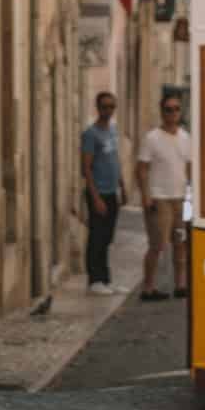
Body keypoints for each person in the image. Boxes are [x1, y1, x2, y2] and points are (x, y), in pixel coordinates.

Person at [136, 93, 194, 301]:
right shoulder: (152, 138)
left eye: (176, 109)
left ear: (181, 112)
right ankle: (148, 287)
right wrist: (145, 196)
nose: (173, 113)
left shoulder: (186, 137)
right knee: (157, 245)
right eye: (168, 109)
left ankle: (180, 285)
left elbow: (189, 167)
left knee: (181, 242)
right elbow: (141, 169)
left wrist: (191, 196)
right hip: (159, 198)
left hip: (180, 199)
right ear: (162, 112)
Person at [80, 92, 124, 294]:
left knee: (107, 236)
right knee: (97, 235)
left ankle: (105, 278)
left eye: (111, 107)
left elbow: (115, 159)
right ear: (98, 108)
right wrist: (95, 197)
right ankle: (94, 279)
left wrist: (122, 185)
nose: (108, 111)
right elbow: (86, 168)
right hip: (98, 192)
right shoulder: (91, 134)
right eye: (105, 107)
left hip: (112, 191)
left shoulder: (113, 131)